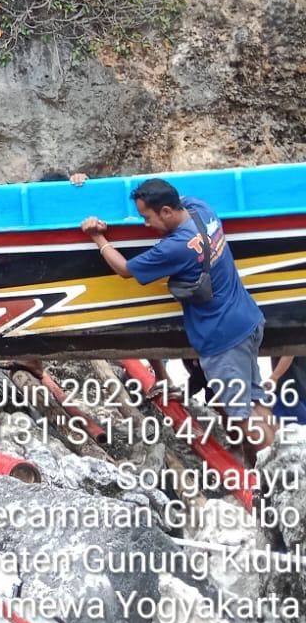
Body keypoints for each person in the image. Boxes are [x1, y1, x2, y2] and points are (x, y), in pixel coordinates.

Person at [82, 178, 273, 455]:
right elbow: (177, 195)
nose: (145, 224)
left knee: (242, 416)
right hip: (248, 321)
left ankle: (277, 473)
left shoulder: (176, 247)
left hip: (224, 340)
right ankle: (277, 457)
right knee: (255, 400)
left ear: (167, 211)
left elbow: (124, 269)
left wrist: (97, 238)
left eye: (147, 217)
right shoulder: (200, 209)